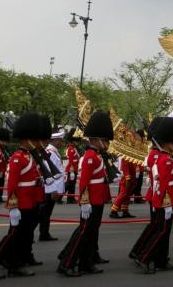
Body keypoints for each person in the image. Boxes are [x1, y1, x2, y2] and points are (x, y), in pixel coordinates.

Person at [0, 113, 45, 279]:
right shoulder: (18, 158)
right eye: (35, 139)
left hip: (29, 201)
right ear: (26, 139)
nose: (38, 142)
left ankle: (13, 263)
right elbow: (12, 185)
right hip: (21, 203)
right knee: (13, 236)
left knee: (20, 237)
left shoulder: (29, 156)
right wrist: (13, 206)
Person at [57, 111, 114, 276]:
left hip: (97, 199)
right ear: (96, 140)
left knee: (89, 233)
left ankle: (86, 263)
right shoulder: (90, 156)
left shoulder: (96, 155)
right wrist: (84, 202)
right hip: (91, 201)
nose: (106, 143)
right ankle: (66, 263)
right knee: (84, 233)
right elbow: (84, 182)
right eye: (104, 140)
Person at [134, 117, 173, 274]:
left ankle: (161, 259)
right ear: (167, 143)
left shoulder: (164, 158)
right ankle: (144, 257)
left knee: (163, 232)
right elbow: (163, 185)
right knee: (161, 232)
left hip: (162, 201)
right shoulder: (165, 160)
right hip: (164, 202)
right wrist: (166, 204)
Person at [39, 130, 66, 241]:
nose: (62, 143)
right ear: (55, 141)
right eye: (60, 141)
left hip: (52, 188)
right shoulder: (50, 152)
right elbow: (49, 173)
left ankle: (44, 233)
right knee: (44, 213)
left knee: (46, 213)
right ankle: (42, 233)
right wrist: (54, 190)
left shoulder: (53, 152)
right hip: (50, 189)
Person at [110, 151, 139, 219]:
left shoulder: (130, 156)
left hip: (131, 179)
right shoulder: (125, 157)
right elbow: (126, 169)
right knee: (123, 194)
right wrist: (128, 179)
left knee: (127, 196)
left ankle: (125, 211)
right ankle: (113, 210)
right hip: (126, 180)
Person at [64, 130, 80, 204]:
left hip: (74, 169)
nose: (76, 142)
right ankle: (59, 196)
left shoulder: (74, 148)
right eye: (75, 141)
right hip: (72, 170)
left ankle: (70, 198)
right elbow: (71, 161)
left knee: (72, 185)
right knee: (68, 184)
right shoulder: (71, 149)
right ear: (72, 141)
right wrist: (72, 171)